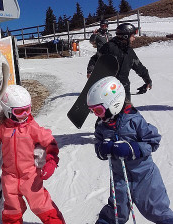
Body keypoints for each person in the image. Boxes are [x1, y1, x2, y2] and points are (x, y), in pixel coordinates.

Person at [0, 85, 65, 224]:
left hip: (31, 176)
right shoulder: (3, 129)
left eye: (28, 110)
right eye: (20, 111)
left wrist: (51, 160)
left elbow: (50, 142)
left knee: (41, 205)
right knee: (12, 210)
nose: (25, 115)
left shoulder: (32, 127)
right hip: (9, 177)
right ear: (7, 110)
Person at [87, 76, 173, 224]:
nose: (97, 115)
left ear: (113, 103)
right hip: (119, 177)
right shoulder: (102, 126)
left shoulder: (134, 120)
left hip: (145, 176)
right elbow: (98, 144)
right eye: (93, 111)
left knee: (156, 210)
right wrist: (103, 149)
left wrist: (132, 148)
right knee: (117, 213)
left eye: (99, 110)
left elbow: (153, 140)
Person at [87, 23, 152, 101]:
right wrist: (90, 71)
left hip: (124, 90)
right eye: (133, 36)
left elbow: (139, 67)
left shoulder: (129, 51)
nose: (134, 38)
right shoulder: (109, 47)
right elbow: (94, 59)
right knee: (110, 112)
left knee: (126, 111)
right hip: (108, 89)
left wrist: (147, 80)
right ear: (126, 36)